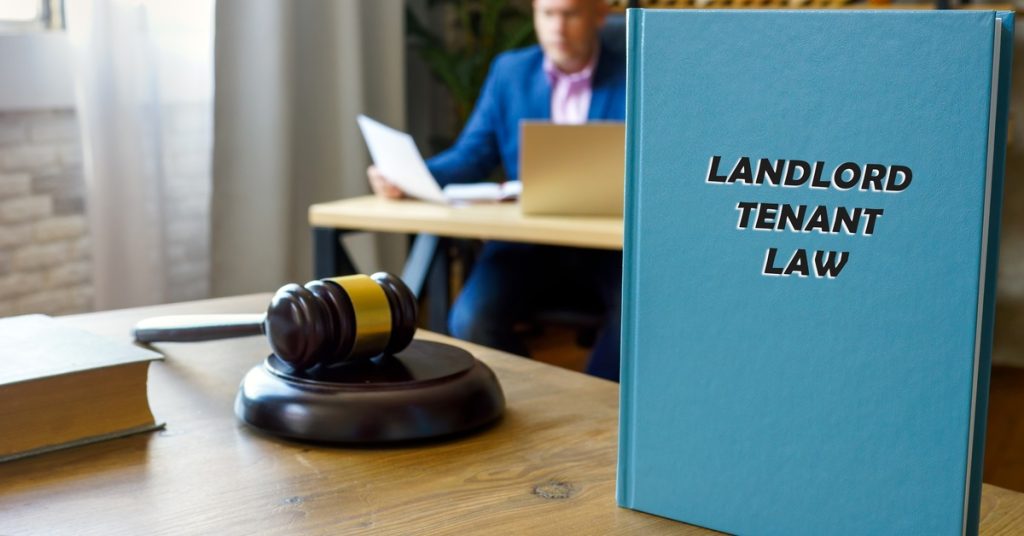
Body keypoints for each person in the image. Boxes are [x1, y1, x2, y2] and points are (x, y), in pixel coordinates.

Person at [367, 0, 625, 381]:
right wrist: (409, 177)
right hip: (527, 244)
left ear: (599, 15)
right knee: (472, 318)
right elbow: (472, 155)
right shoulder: (510, 72)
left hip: (610, 247)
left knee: (643, 319)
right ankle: (540, 396)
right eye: (547, 14)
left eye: (569, 14)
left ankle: (601, 404)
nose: (557, 27)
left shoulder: (634, 72)